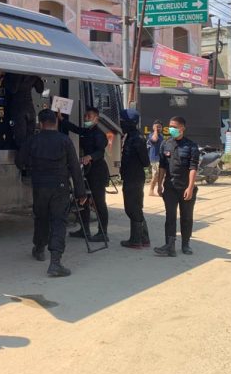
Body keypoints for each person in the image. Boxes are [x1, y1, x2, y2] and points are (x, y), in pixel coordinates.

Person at [17, 109, 86, 277]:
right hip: (60, 187)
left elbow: (19, 161)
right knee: (58, 221)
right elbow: (75, 168)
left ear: (40, 123)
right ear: (55, 122)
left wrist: (31, 168)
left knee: (41, 217)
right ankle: (55, 262)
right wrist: (80, 192)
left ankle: (39, 249)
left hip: (40, 186)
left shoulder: (32, 140)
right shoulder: (64, 140)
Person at [154, 116, 200, 257]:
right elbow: (162, 166)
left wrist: (190, 187)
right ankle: (170, 246)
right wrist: (159, 184)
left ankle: (185, 245)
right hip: (170, 187)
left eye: (174, 126)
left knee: (186, 218)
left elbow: (193, 168)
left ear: (182, 128)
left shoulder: (191, 146)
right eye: (170, 126)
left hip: (185, 187)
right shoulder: (166, 144)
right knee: (170, 217)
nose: (171, 129)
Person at [63, 107, 110, 242]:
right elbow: (76, 129)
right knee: (82, 198)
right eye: (85, 116)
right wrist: (62, 120)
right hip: (87, 170)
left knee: (98, 202)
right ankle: (84, 229)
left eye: (89, 116)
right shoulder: (87, 131)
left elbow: (100, 152)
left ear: (96, 119)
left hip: (98, 172)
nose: (86, 119)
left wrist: (90, 156)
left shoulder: (99, 134)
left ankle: (103, 232)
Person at [119, 109, 152, 249]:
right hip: (131, 177)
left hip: (134, 177)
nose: (120, 123)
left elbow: (146, 162)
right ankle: (144, 239)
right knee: (135, 207)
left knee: (132, 208)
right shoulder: (130, 136)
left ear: (130, 123)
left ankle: (136, 240)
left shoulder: (137, 139)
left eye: (123, 121)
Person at [6, 74, 44, 148]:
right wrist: (38, 78)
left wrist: (4, 77)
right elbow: (40, 90)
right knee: (30, 139)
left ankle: (22, 157)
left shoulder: (17, 73)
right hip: (30, 109)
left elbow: (13, 89)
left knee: (20, 140)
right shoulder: (32, 74)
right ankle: (28, 157)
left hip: (18, 108)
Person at [146, 120, 164, 197]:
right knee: (156, 175)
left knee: (161, 175)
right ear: (153, 127)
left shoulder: (161, 136)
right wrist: (155, 130)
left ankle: (159, 190)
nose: (158, 128)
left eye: (160, 127)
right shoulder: (151, 135)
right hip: (154, 158)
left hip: (161, 158)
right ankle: (151, 191)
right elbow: (154, 140)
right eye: (157, 127)